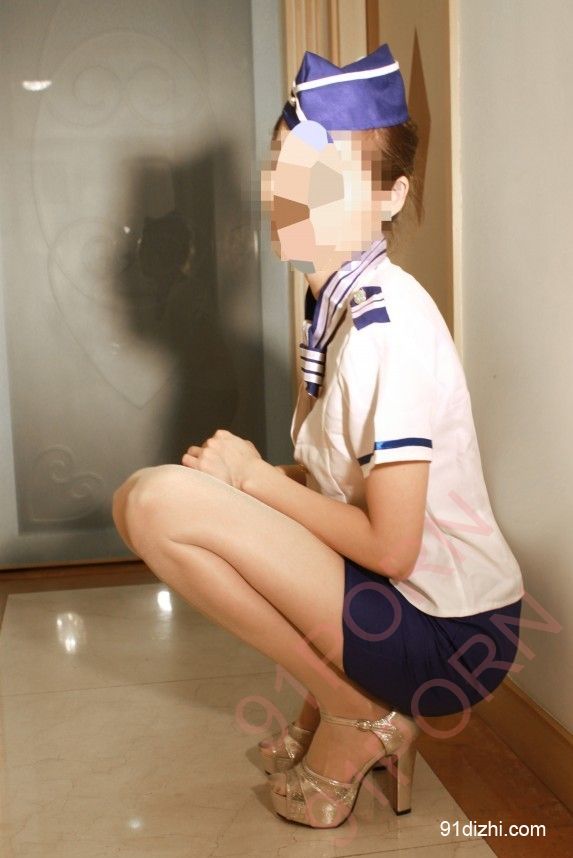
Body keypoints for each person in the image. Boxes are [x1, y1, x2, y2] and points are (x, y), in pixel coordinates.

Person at [112, 44, 524, 830]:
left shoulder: (383, 327)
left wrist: (253, 481)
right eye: (286, 165)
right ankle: (346, 704)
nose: (291, 192)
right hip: (405, 602)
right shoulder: (334, 304)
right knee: (144, 500)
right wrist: (251, 485)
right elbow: (343, 485)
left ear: (391, 195)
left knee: (160, 502)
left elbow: (392, 548)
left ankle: (357, 714)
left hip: (450, 634)